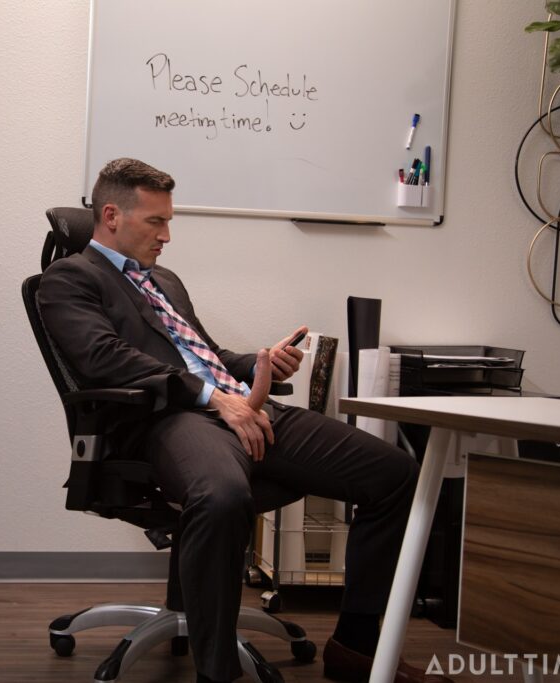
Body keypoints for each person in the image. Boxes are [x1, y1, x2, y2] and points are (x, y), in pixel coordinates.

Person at [38, 158, 450, 683]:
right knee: (222, 496)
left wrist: (258, 365)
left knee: (394, 474)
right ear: (112, 215)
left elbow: (203, 354)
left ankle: (357, 647)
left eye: (169, 221)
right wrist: (215, 399)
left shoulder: (164, 280)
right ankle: (217, 672)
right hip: (168, 419)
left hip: (238, 407)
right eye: (156, 221)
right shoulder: (69, 278)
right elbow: (105, 358)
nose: (167, 235)